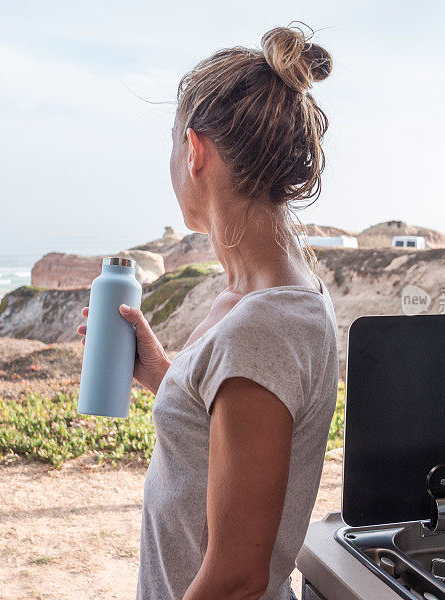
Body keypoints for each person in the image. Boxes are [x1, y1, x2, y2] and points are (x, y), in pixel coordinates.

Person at [78, 24, 338, 600]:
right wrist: (164, 376)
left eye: (173, 148)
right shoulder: (263, 300)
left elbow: (237, 580)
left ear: (195, 151)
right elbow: (239, 427)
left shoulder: (262, 327)